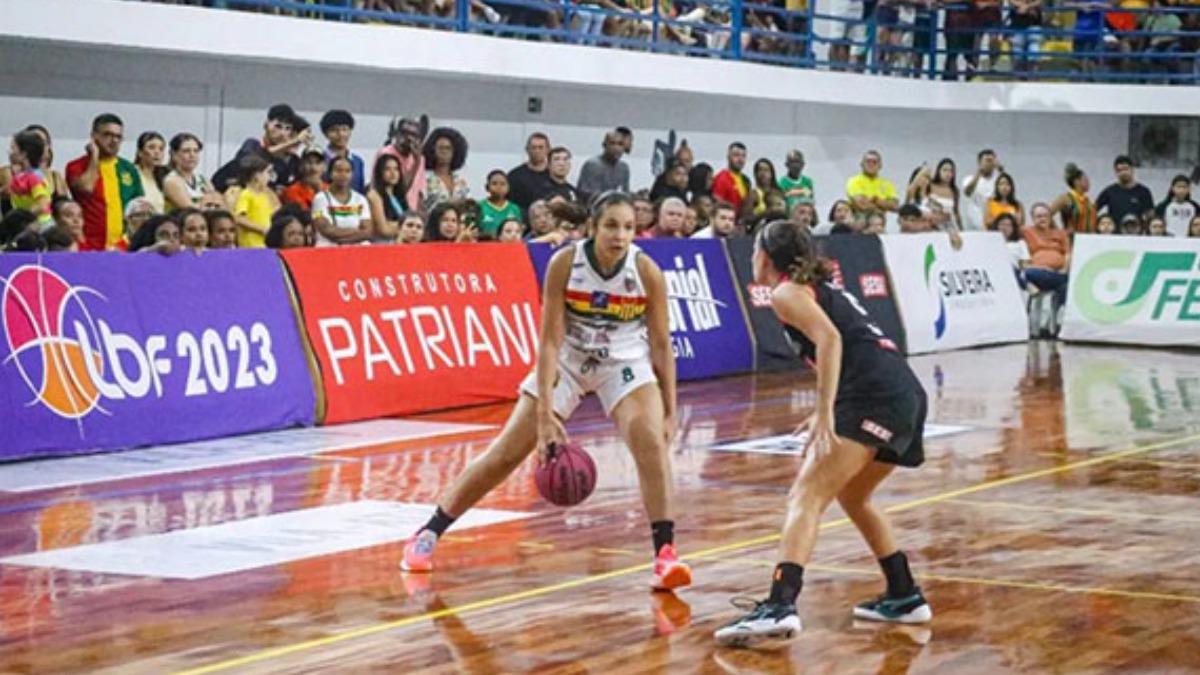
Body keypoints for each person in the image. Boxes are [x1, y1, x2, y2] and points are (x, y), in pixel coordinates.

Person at [400, 192, 693, 593]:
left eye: (627, 227)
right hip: (569, 359)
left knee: (649, 442)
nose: (620, 235)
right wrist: (543, 417)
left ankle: (665, 555)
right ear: (593, 226)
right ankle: (428, 532)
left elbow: (661, 344)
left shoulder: (646, 271)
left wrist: (671, 410)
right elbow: (550, 341)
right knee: (505, 453)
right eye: (611, 225)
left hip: (623, 361)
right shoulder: (565, 264)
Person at [715, 220, 930, 649]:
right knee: (853, 496)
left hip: (872, 395)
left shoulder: (786, 292)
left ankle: (779, 605)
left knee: (806, 495)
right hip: (904, 392)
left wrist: (824, 410)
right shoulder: (814, 288)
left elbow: (830, 339)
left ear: (765, 255)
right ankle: (904, 593)